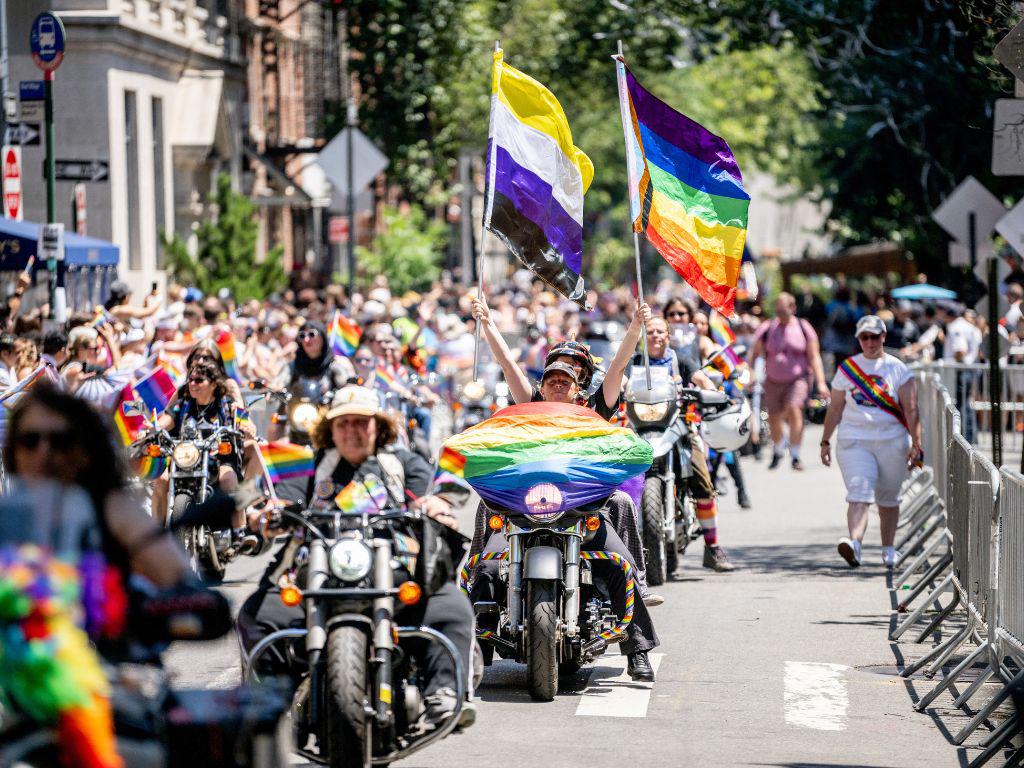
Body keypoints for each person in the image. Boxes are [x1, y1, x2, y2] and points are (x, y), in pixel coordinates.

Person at [236, 385, 477, 728]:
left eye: (361, 422)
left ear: (378, 426)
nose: (352, 430)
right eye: (343, 422)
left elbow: (430, 494)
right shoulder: (309, 467)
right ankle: (271, 698)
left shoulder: (403, 465)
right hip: (316, 573)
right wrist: (268, 513)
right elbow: (278, 501)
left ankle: (444, 694)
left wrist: (436, 506)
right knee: (256, 614)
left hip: (395, 571)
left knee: (451, 606)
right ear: (329, 430)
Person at [469, 361, 662, 682]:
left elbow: (618, 450)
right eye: (551, 380)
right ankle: (478, 647)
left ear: (578, 390)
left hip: (581, 516)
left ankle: (638, 649)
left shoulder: (591, 423)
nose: (558, 384)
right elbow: (491, 447)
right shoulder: (522, 423)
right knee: (486, 568)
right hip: (522, 515)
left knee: (620, 566)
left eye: (566, 381)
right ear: (540, 389)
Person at [471, 294, 661, 602]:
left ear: (581, 381)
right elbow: (507, 363)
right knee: (487, 504)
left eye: (571, 371)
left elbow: (619, 364)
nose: (561, 378)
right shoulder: (533, 404)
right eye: (554, 373)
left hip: (582, 495)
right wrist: (488, 323)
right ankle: (476, 581)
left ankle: (636, 583)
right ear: (543, 382)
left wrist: (637, 325)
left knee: (622, 501)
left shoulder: (596, 407)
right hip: (534, 493)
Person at [3, 384, 189, 588]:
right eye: (30, 441)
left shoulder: (112, 507)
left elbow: (179, 577)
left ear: (83, 449)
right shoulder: (8, 513)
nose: (44, 452)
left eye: (60, 441)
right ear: (13, 451)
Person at [818, 316, 922, 568]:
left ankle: (888, 549)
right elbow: (835, 408)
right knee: (859, 492)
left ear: (884, 337)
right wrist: (824, 441)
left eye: (875, 336)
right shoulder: (847, 369)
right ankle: (855, 544)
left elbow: (911, 409)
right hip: (855, 440)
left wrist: (917, 443)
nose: (871, 342)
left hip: (892, 441)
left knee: (888, 499)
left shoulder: (898, 369)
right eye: (865, 337)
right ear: (858, 339)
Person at [639, 315, 737, 570]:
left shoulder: (680, 359)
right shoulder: (635, 362)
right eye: (650, 331)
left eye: (661, 331)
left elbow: (701, 379)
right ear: (642, 336)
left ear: (669, 336)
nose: (656, 336)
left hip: (680, 427)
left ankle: (713, 547)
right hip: (641, 430)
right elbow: (622, 382)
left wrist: (714, 394)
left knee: (703, 482)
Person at [150, 361, 244, 529]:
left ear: (214, 384)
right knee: (161, 480)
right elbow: (169, 419)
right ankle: (157, 533)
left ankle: (238, 531)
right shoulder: (183, 404)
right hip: (185, 457)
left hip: (218, 457)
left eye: (199, 380)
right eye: (191, 379)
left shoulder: (226, 404)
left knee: (228, 478)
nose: (192, 384)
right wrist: (152, 429)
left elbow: (243, 420)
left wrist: (245, 425)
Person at [749, 292, 828, 471]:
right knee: (774, 416)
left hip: (797, 378)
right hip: (773, 379)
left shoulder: (803, 327)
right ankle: (778, 449)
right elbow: (754, 353)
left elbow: (814, 356)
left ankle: (795, 454)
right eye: (778, 312)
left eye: (784, 312)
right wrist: (751, 373)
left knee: (794, 409)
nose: (780, 316)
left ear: (793, 309)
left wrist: (821, 382)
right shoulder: (768, 327)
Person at [267, 320, 353, 440]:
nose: (306, 339)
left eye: (311, 334)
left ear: (322, 337)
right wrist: (275, 387)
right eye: (302, 336)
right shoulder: (292, 366)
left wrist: (345, 389)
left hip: (328, 418)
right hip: (297, 416)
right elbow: (280, 380)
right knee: (274, 428)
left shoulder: (335, 365)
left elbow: (347, 387)